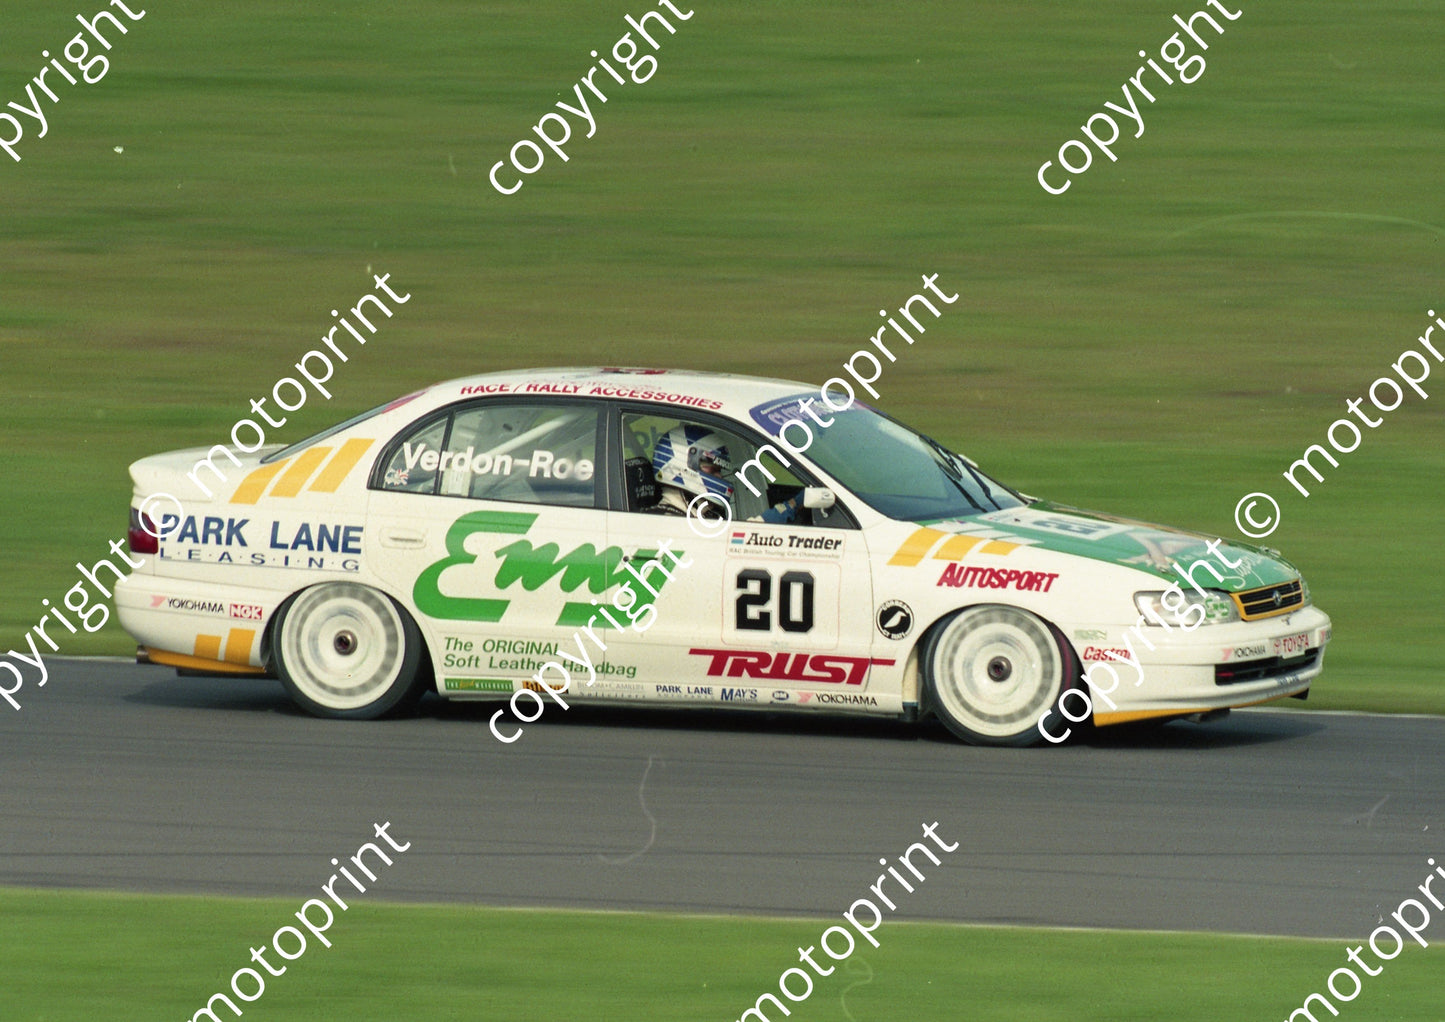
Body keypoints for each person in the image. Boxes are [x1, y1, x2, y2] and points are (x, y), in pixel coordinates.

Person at [647, 424, 801, 523]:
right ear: (680, 465)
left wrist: (792, 505)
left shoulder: (695, 516)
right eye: (712, 469)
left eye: (719, 470)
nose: (719, 477)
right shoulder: (665, 522)